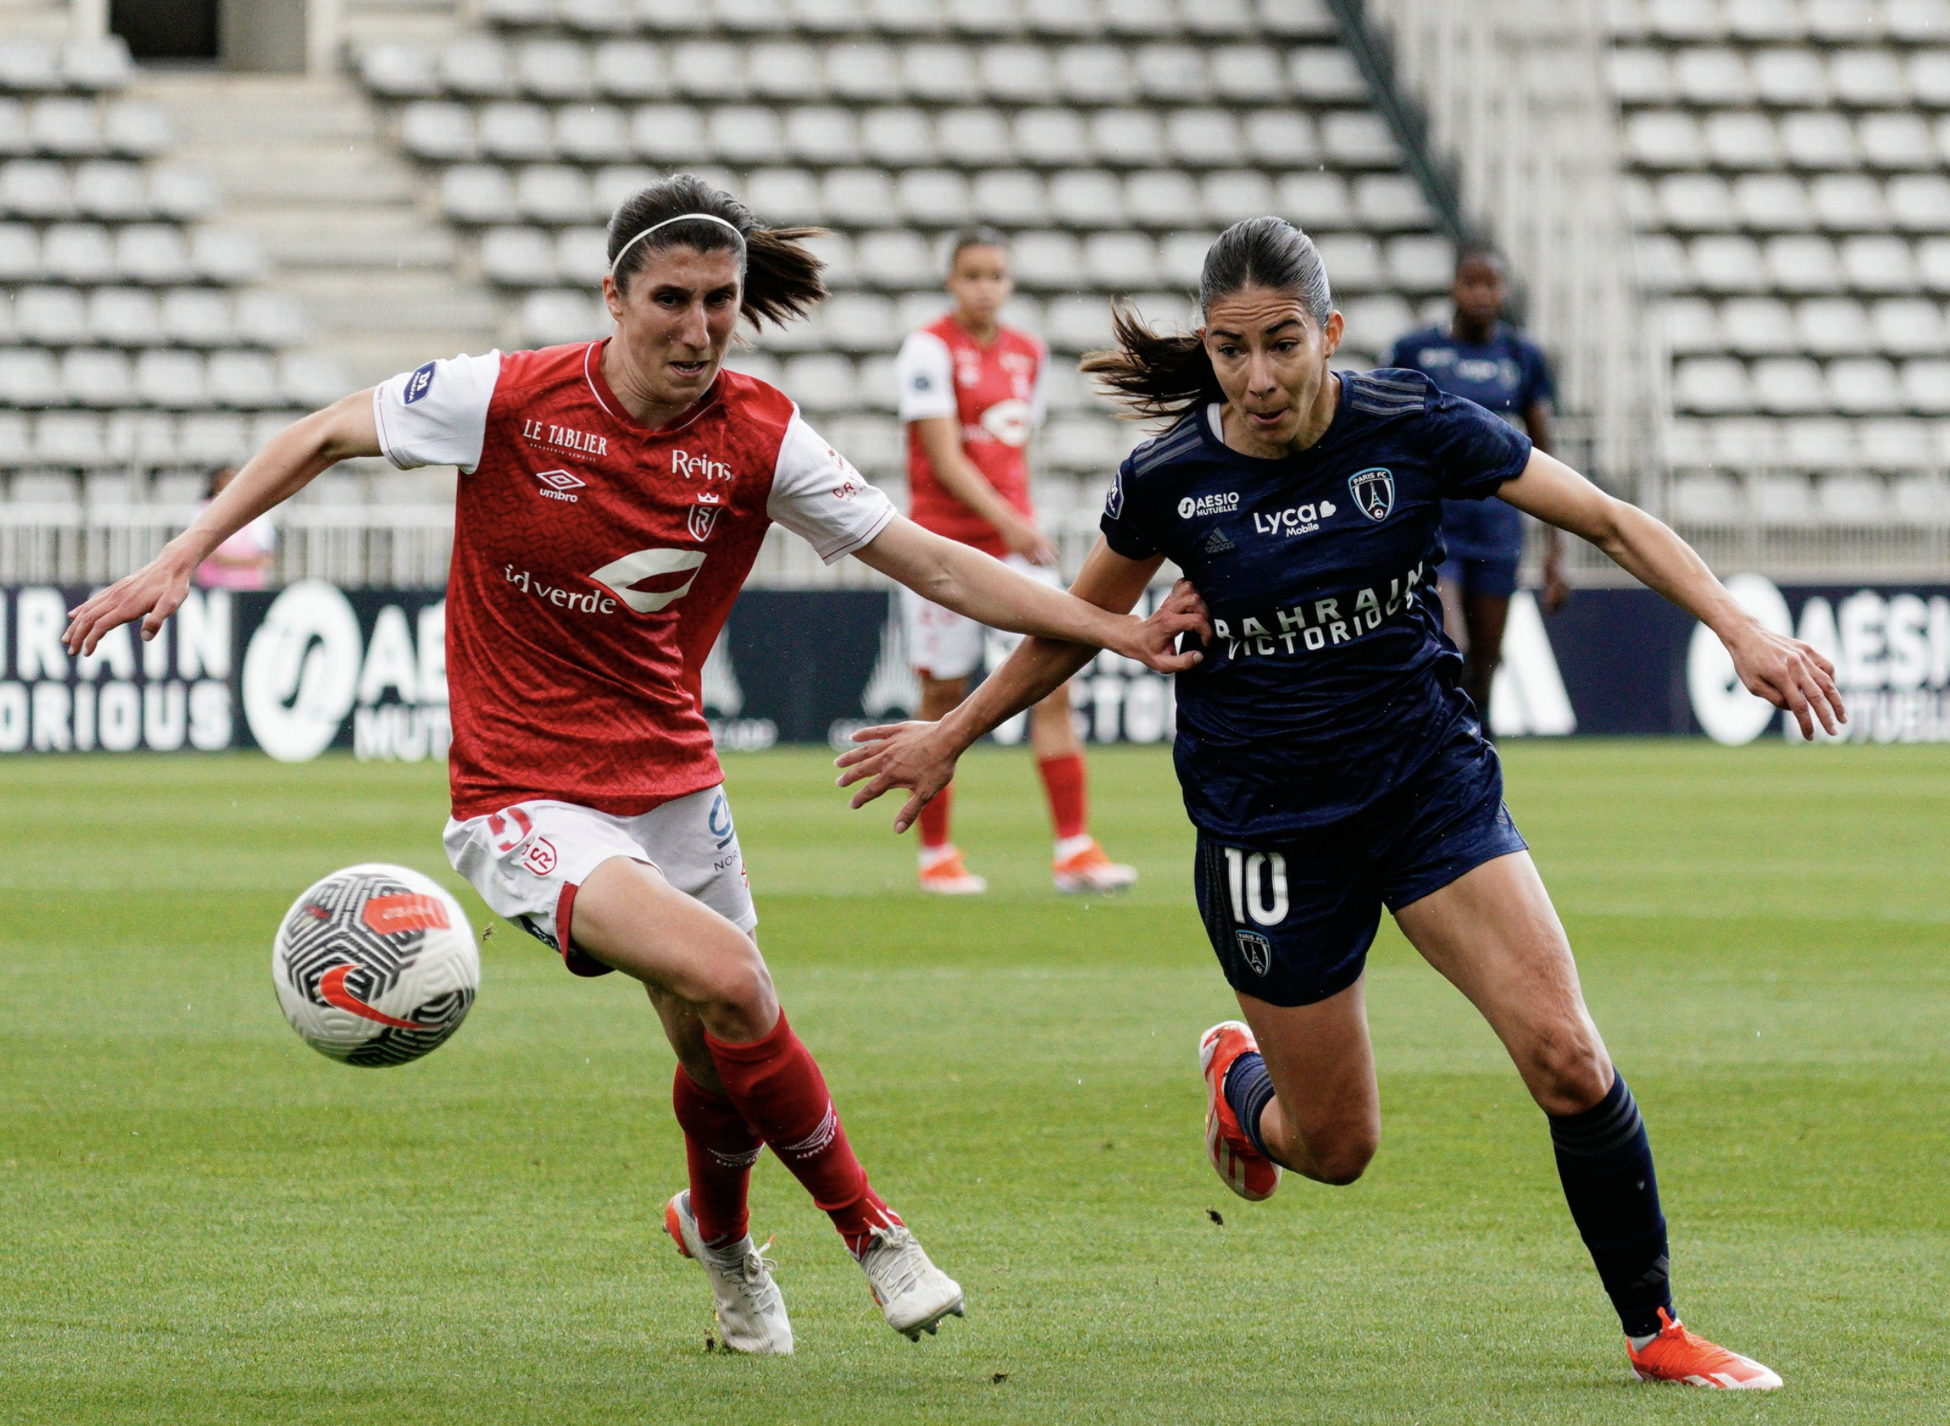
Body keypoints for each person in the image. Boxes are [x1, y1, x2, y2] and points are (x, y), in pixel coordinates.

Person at [63, 175, 1203, 1358]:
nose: (700, 327)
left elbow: (939, 565)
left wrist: (1118, 629)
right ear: (613, 296)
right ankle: (876, 1237)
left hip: (673, 783)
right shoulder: (502, 397)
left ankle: (723, 1254)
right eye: (672, 299)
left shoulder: (763, 434)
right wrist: (184, 555)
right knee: (737, 982)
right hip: (520, 793)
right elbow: (320, 433)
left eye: (722, 301)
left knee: (717, 1052)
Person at [839, 216, 1846, 1389]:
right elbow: (1076, 623)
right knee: (1337, 1146)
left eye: (1280, 345)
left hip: (1428, 788)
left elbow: (1610, 519)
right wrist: (953, 733)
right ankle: (1238, 1079)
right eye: (1228, 352)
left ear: (1330, 332)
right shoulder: (1172, 481)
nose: (1257, 379)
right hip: (1269, 827)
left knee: (1568, 1055)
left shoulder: (1409, 423)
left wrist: (1740, 628)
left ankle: (1656, 1326)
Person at [893, 228, 1138, 897]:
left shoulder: (1029, 353)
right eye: (972, 275)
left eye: (996, 275)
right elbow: (945, 458)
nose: (985, 288)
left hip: (1012, 546)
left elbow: (1012, 455)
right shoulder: (927, 348)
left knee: (1056, 681)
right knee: (944, 695)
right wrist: (1010, 521)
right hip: (942, 550)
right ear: (952, 281)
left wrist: (1013, 523)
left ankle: (1073, 848)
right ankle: (936, 854)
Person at [1387, 245, 1567, 726]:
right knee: (1454, 649)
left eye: (1492, 283)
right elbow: (1393, 439)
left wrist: (1555, 548)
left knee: (1485, 669)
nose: (1483, 294)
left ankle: (1478, 770)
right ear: (1454, 286)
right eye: (1473, 282)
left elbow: (1543, 453)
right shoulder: (1417, 351)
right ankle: (1443, 763)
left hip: (1497, 530)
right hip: (1437, 529)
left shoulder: (1522, 356)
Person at [193, 466, 276, 589]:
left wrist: (229, 562)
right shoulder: (203, 511)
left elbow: (266, 555)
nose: (232, 482)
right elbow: (200, 550)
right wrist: (243, 562)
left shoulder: (257, 513)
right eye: (227, 478)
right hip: (212, 585)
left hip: (248, 587)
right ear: (216, 482)